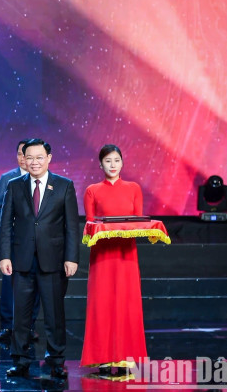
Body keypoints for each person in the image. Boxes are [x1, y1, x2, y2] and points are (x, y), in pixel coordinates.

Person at [0, 139, 79, 379]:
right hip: (22, 260)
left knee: (54, 314)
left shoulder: (64, 186)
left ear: (49, 158)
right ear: (23, 159)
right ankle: (21, 360)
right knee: (21, 316)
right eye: (30, 157)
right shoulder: (14, 186)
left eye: (39, 157)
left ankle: (56, 360)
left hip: (53, 261)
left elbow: (72, 227)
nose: (34, 162)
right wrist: (4, 256)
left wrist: (71, 258)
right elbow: (5, 225)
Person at [81, 144, 147, 374]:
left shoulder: (134, 188)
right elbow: (90, 224)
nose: (112, 165)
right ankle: (103, 357)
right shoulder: (92, 190)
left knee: (127, 302)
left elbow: (138, 222)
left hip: (126, 254)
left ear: (122, 163)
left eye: (116, 160)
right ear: (100, 164)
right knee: (102, 303)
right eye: (108, 161)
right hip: (102, 256)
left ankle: (126, 357)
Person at [0, 139, 40, 344]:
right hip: (13, 241)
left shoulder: (43, 179)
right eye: (20, 154)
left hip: (37, 242)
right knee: (9, 284)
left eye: (26, 154)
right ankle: (7, 325)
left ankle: (30, 326)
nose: (23, 158)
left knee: (35, 283)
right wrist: (8, 227)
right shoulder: (7, 179)